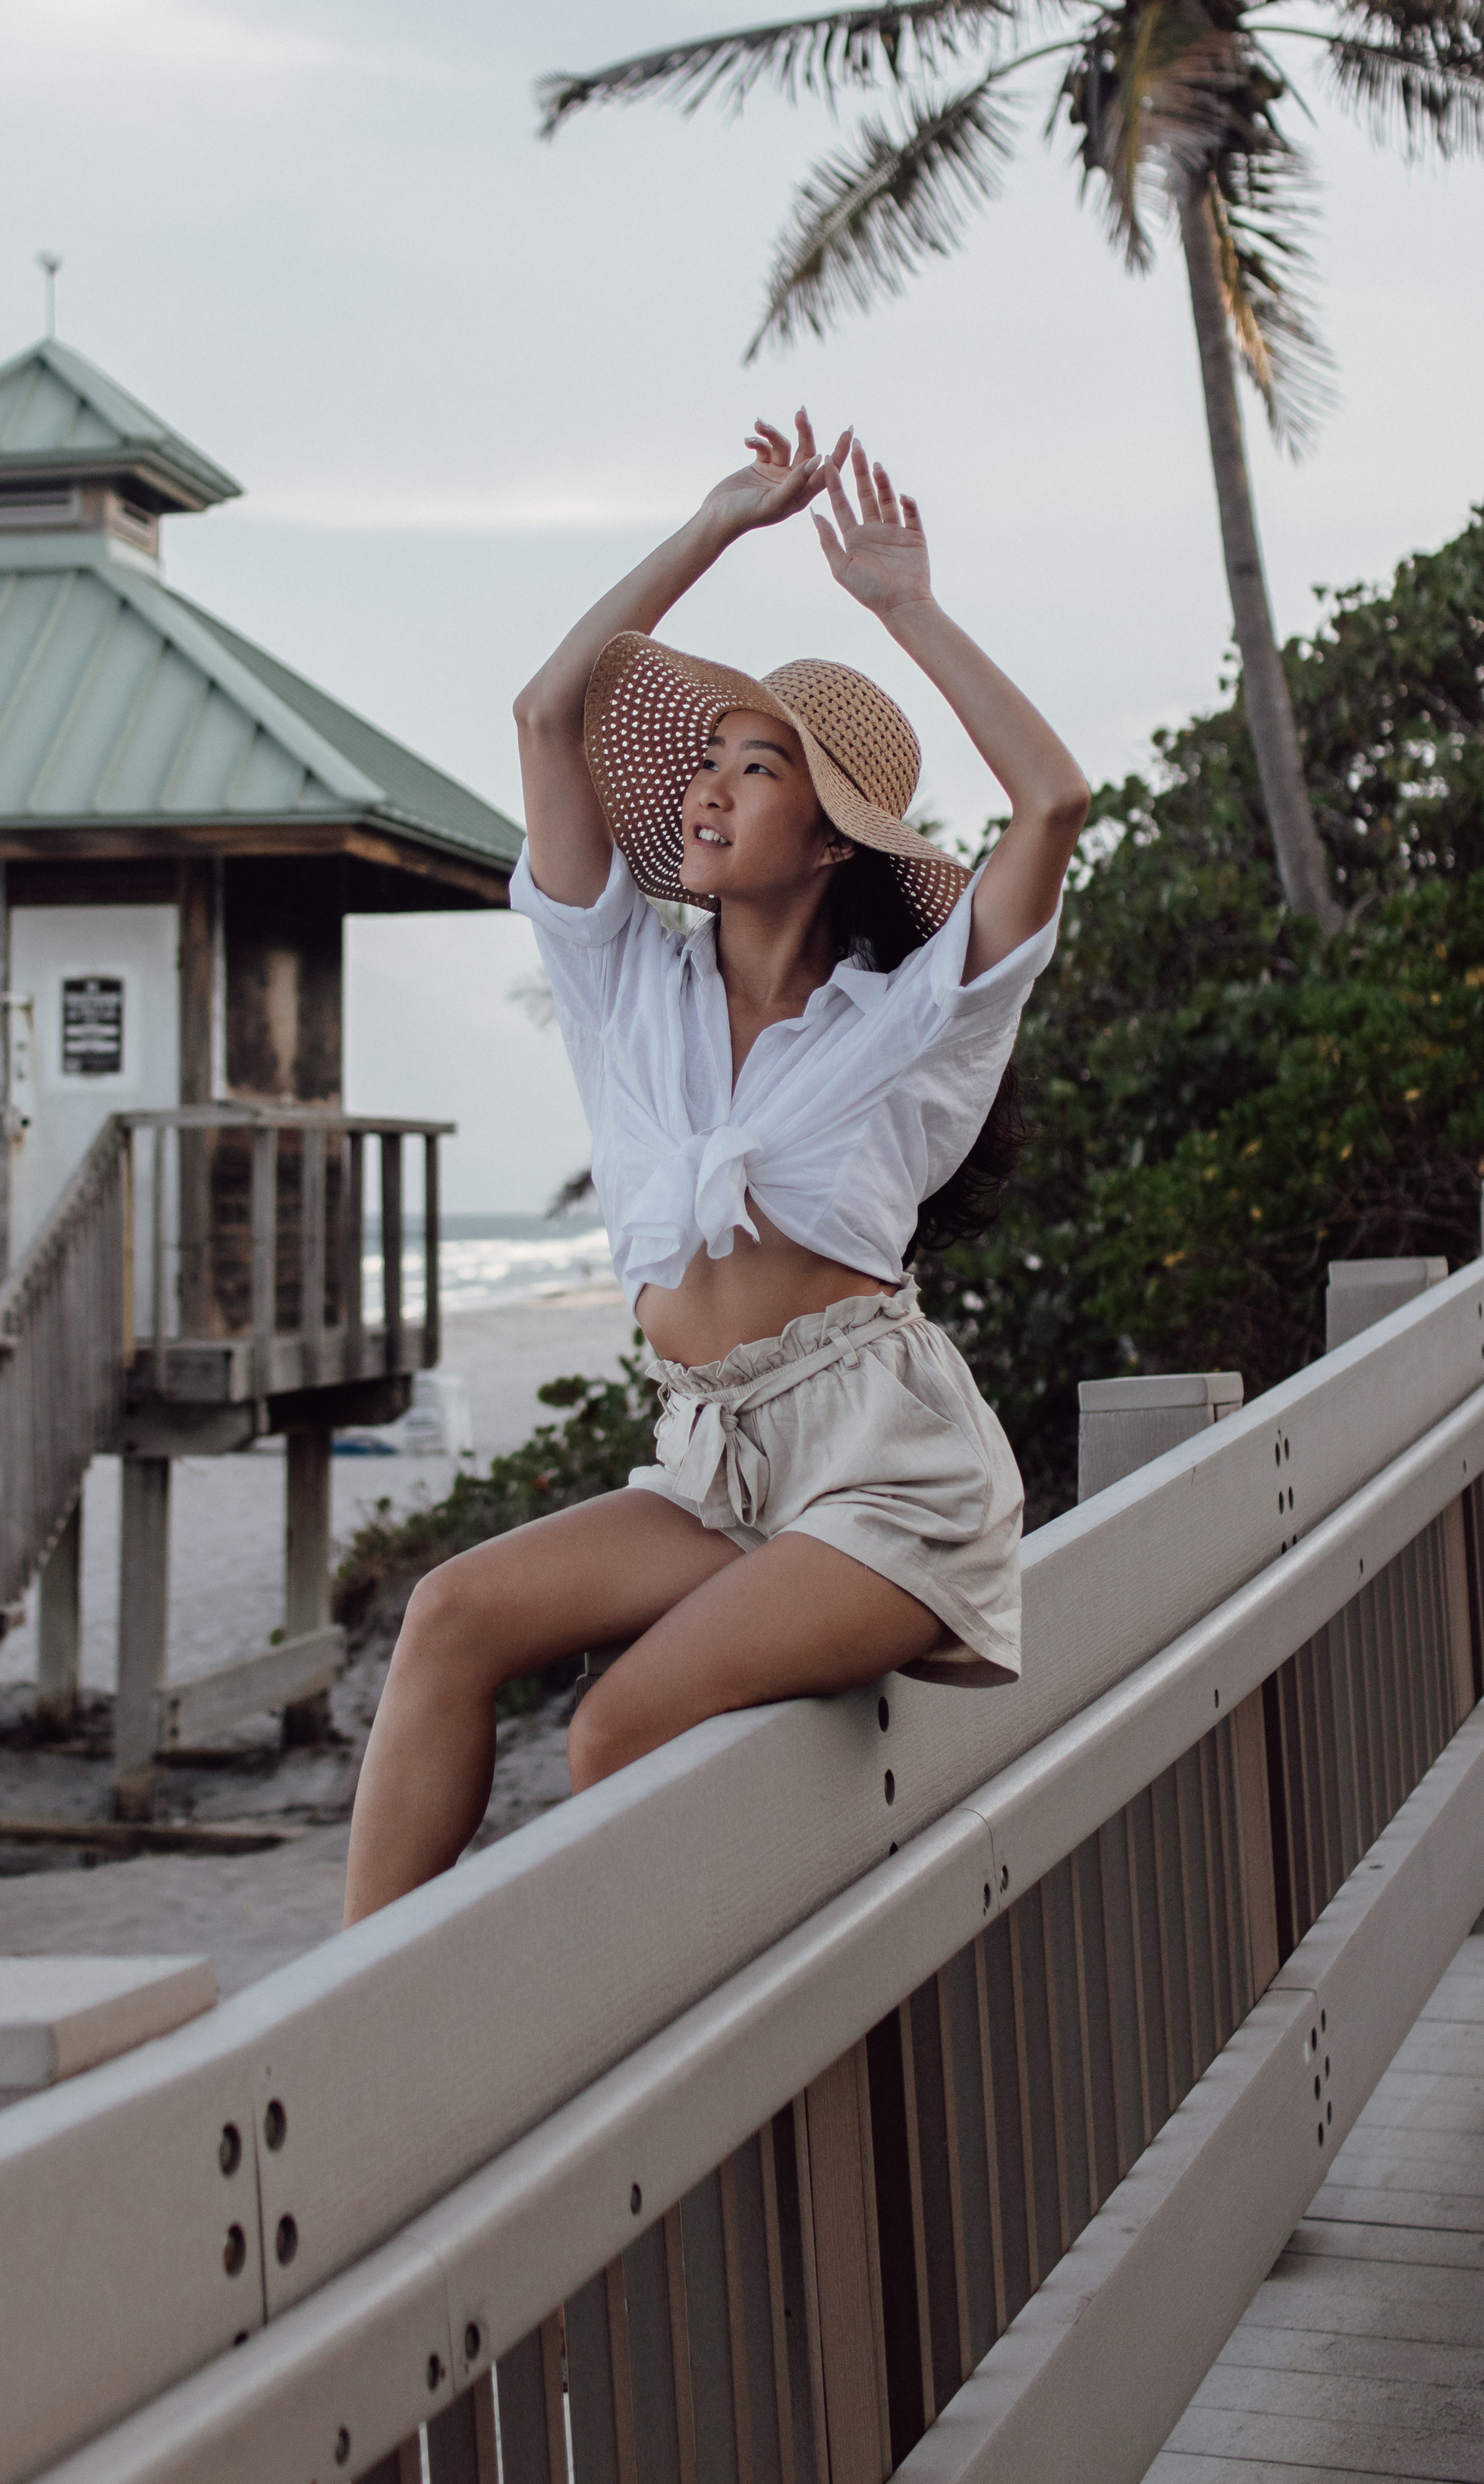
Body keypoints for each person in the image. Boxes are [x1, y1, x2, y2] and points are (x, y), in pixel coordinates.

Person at [342, 412, 1088, 1924]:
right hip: (706, 1462)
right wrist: (713, 526)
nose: (706, 788)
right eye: (705, 761)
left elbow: (1052, 803)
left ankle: (627, 2059)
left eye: (756, 770)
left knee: (615, 1728)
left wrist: (902, 605)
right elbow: (549, 712)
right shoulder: (625, 979)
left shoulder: (912, 1018)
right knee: (449, 1614)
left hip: (881, 1476)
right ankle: (336, 2018)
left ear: (827, 842)